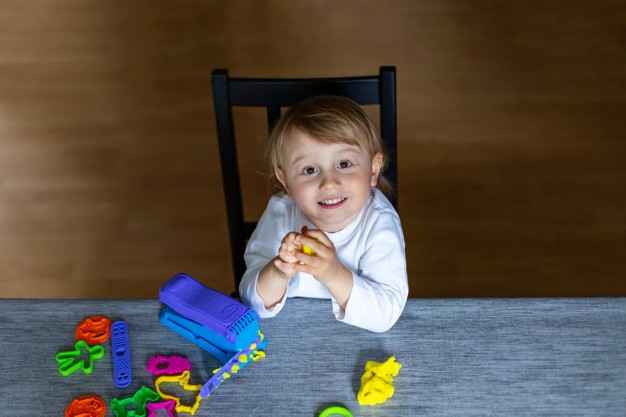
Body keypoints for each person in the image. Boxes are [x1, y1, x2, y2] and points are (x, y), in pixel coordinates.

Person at [239, 95, 408, 333]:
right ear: (285, 180)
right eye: (309, 170)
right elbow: (251, 301)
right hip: (292, 335)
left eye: (344, 164)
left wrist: (331, 273)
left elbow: (386, 314)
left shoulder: (379, 222)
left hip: (358, 336)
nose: (329, 183)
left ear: (373, 169)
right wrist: (277, 272)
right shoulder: (281, 213)